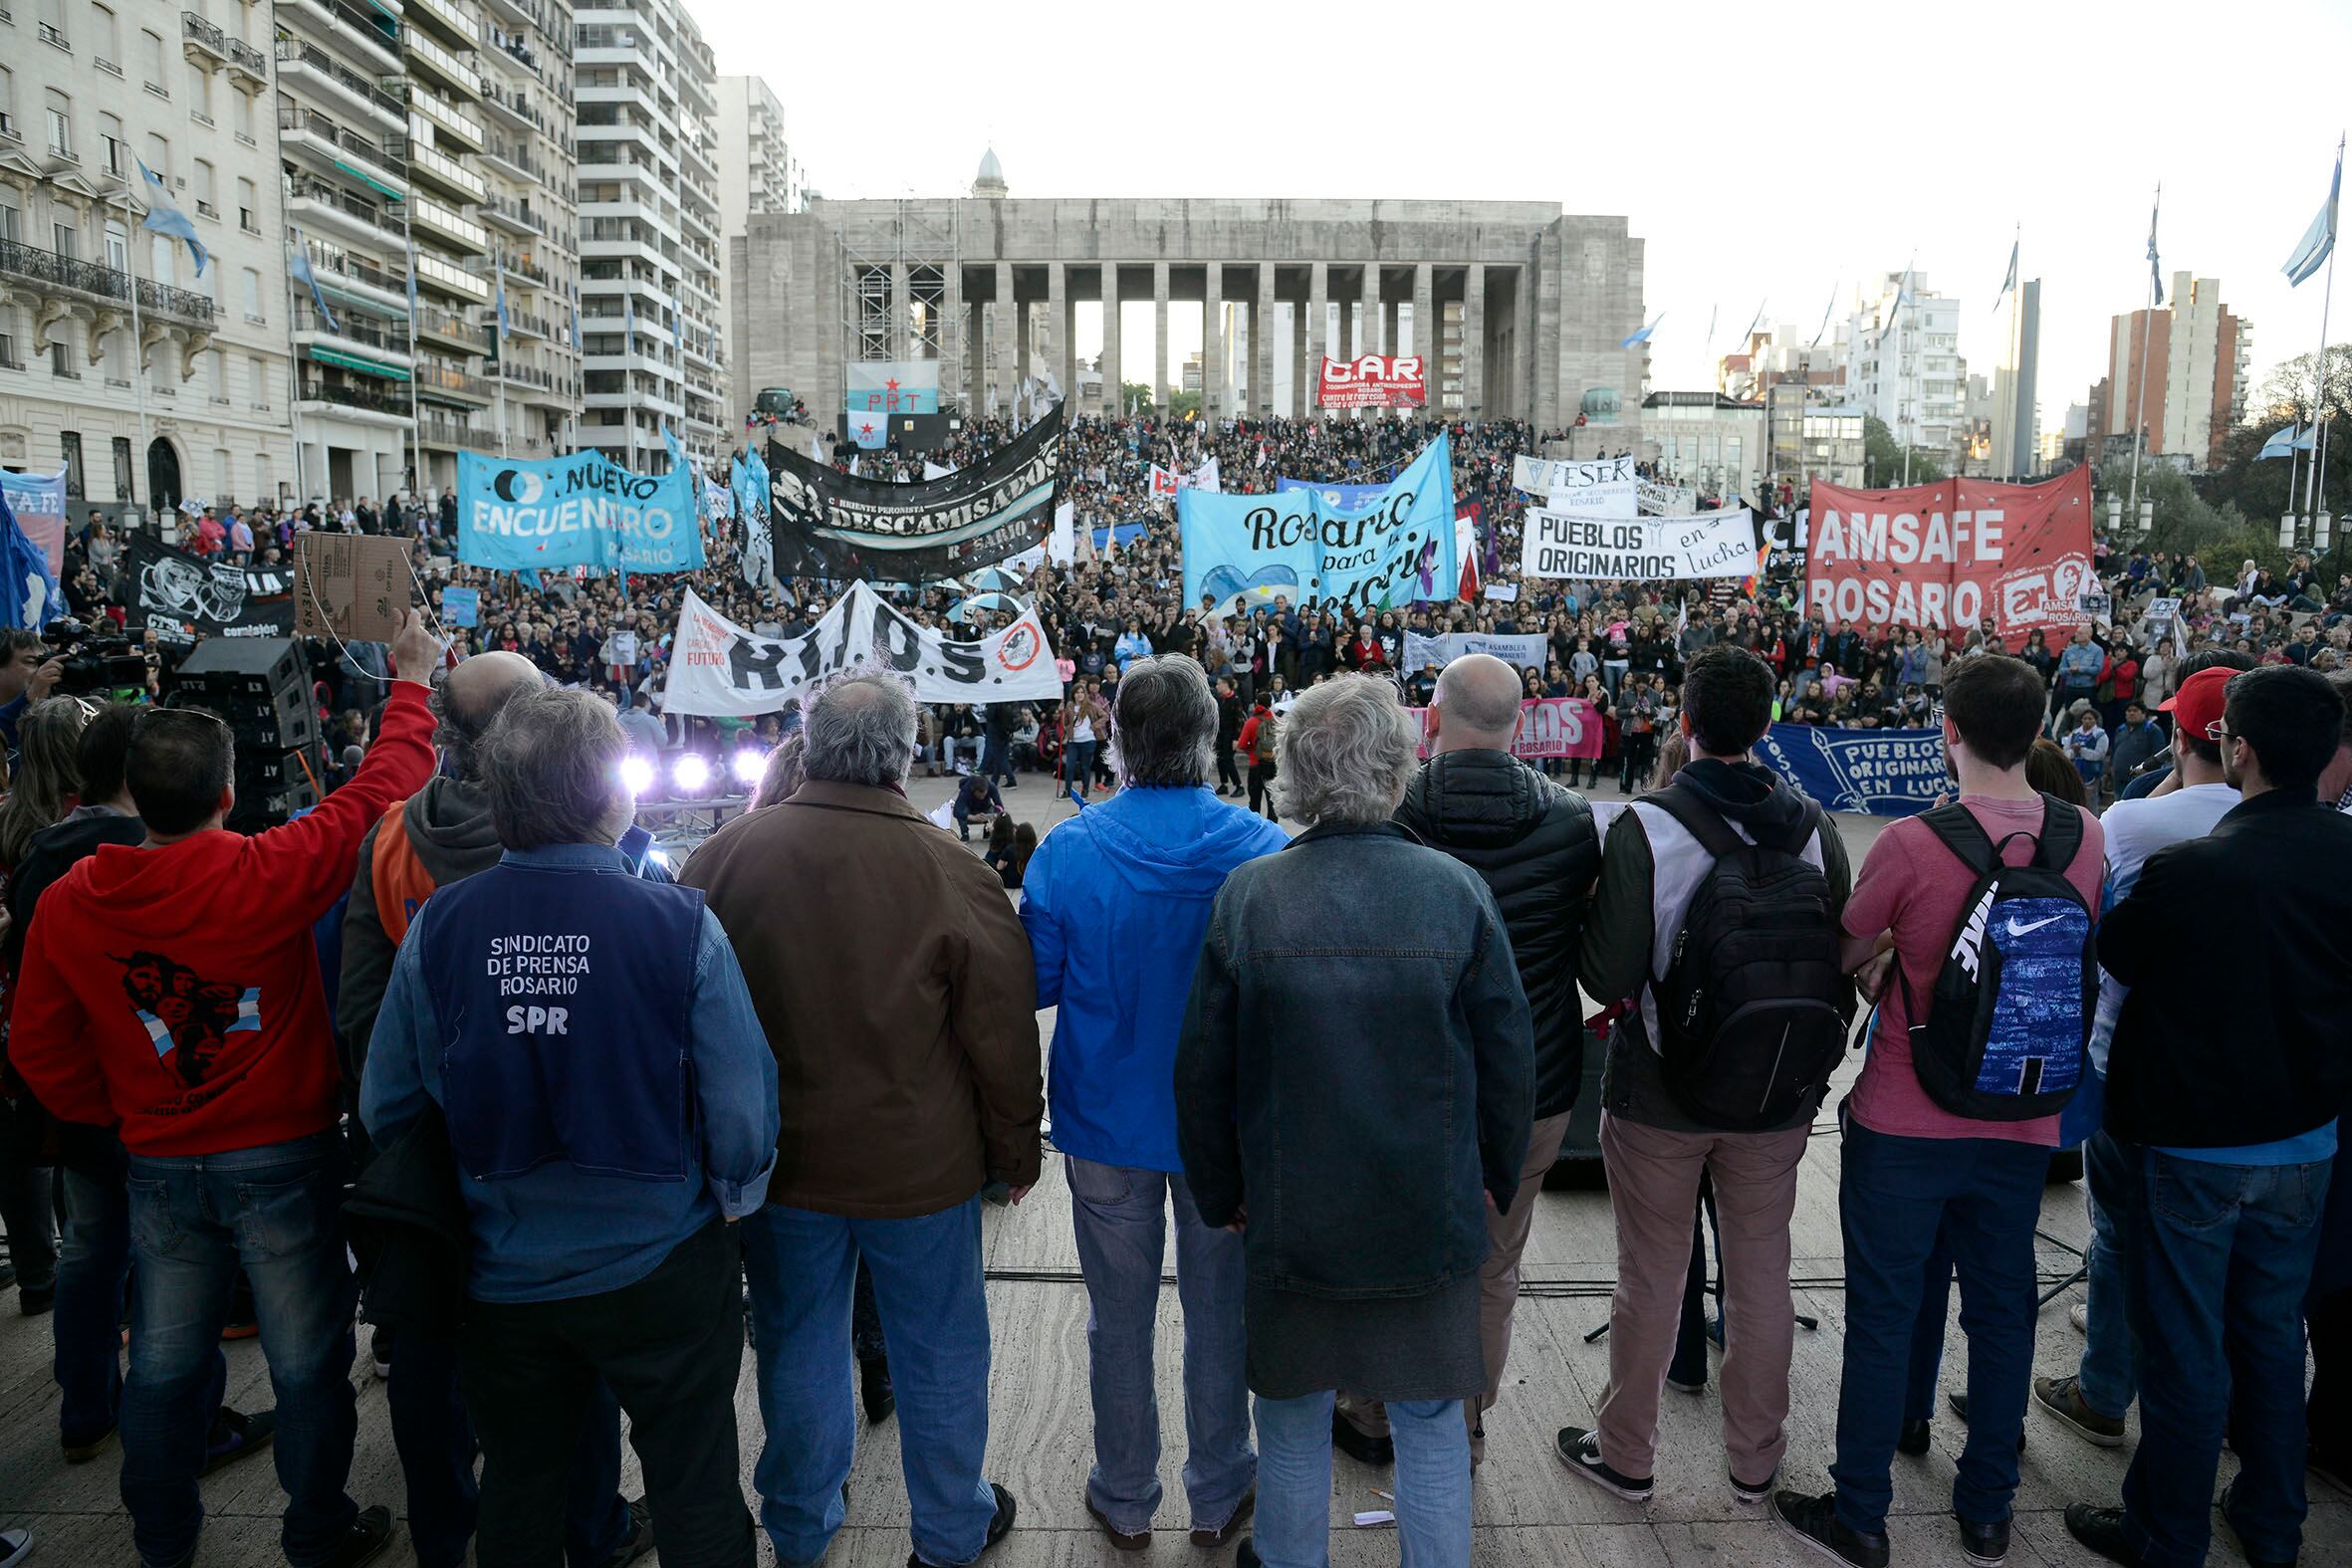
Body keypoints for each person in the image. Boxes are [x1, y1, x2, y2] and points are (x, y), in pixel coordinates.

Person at [10, 607, 445, 1568]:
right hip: (282, 1155)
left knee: (162, 1367)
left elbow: (36, 1047)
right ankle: (317, 1529)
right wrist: (409, 680)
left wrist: (124, 1106)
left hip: (157, 1159)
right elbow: (385, 786)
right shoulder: (269, 869)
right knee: (304, 1363)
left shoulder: (72, 900)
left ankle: (164, 1545)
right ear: (229, 790)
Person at [360, 686, 777, 1567]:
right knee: (695, 1484)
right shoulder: (678, 922)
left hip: (505, 1271)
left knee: (519, 1487)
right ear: (608, 793)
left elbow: (385, 1104)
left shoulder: (439, 927)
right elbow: (742, 1098)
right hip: (662, 1256)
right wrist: (739, 1194)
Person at [1176, 674, 1533, 1568]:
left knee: (1291, 1432)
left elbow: (1202, 1073)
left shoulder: (1249, 897)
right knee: (1432, 1429)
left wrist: (1223, 1192)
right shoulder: (1456, 892)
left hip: (1293, 1223)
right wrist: (1493, 1175)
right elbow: (1507, 1060)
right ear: (1397, 765)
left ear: (1295, 769)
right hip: (1426, 1219)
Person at [681, 671, 1037, 1568]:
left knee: (798, 1346)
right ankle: (952, 1529)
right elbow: (999, 1035)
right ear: (905, 752)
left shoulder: (724, 856)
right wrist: (1014, 1152)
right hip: (921, 1170)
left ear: (810, 742)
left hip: (783, 1169)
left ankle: (799, 1527)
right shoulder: (953, 868)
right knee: (941, 1350)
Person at [1774, 653, 2102, 1568]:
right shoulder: (2089, 835)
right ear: (2037, 734)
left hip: (1906, 1119)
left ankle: (1862, 1512)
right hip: (2024, 1117)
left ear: (1947, 731)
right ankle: (1988, 1510)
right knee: (2002, 1312)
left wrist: (1888, 948)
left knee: (1884, 1312)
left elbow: (1843, 951)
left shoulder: (1915, 841)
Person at [336, 651, 657, 1568]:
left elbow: (361, 1014)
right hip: (569, 1147)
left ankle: (448, 1534)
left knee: (435, 1353)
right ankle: (590, 1528)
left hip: (435, 1159)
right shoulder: (597, 846)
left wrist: (421, 1126)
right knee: (573, 1359)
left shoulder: (393, 835)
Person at [2065, 666, 2352, 1568]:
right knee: (2271, 1339)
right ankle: (2271, 1522)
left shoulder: (2191, 868)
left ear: (2241, 750)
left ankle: (2166, 1531)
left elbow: (2115, 949)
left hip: (2195, 1146)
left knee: (2187, 1348)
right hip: (2307, 1144)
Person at [1561, 644, 1851, 1508]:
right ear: (1768, 726)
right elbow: (1837, 947)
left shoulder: (1645, 826)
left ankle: (1628, 1456)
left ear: (1684, 720)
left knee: (1651, 1272)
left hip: (1660, 1089)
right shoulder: (1814, 826)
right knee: (1763, 1272)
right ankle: (1756, 1466)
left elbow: (1606, 973)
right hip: (1776, 1093)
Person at [1020, 654, 1288, 1551]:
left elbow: (1039, 983)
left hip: (1106, 1121)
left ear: (1122, 741)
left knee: (1117, 1317)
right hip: (1228, 1129)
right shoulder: (1264, 849)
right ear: (1210, 739)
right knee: (1223, 1314)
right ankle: (1218, 1491)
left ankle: (1126, 1491)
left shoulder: (1068, 849)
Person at [3, 704, 276, 1471]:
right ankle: (194, 1425)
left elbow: (35, 1023)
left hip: (89, 1115)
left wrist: (87, 1103)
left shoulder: (39, 856)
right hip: (154, 1113)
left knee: (89, 1255)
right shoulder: (139, 858)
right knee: (173, 1282)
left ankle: (85, 1408)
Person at [1347, 653, 1599, 1467]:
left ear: (1432, 716)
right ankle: (1464, 1424)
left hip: (1409, 1082)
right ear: (1519, 724)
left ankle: (1378, 1412)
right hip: (1534, 1081)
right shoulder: (1571, 821)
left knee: (1393, 1253)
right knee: (1494, 1264)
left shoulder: (1390, 814)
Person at [2027, 666, 2239, 1459]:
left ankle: (2105, 1389)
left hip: (2132, 1058)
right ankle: (2224, 1411)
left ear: (2183, 735)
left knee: (2118, 1230)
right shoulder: (2299, 822)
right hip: (2259, 1081)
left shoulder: (2133, 823)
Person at [1237, 697, 1280, 822]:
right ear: (1271, 704)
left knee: (1254, 802)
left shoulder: (1251, 722)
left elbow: (1242, 744)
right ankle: (1273, 832)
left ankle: (1255, 832)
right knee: (1272, 803)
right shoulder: (1277, 721)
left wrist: (1252, 750)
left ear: (1256, 703)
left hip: (1256, 765)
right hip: (1273, 764)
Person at [951, 769, 1005, 842]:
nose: (981, 797)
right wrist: (972, 817)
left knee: (996, 813)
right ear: (973, 790)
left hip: (985, 808)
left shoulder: (991, 787)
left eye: (983, 795)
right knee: (962, 811)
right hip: (970, 811)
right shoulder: (965, 790)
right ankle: (965, 833)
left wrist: (993, 815)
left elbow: (1000, 806)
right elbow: (956, 811)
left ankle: (988, 830)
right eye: (979, 796)